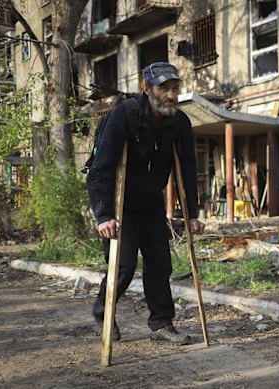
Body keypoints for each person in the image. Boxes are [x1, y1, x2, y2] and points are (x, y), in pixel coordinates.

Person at [87, 61, 205, 345]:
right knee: (123, 265)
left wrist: (192, 212)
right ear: (147, 88)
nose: (171, 96)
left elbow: (188, 170)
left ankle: (161, 322)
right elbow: (100, 168)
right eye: (164, 89)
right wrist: (104, 215)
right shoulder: (124, 116)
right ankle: (104, 313)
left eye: (175, 89)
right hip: (120, 204)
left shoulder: (179, 122)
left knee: (160, 263)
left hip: (151, 202)